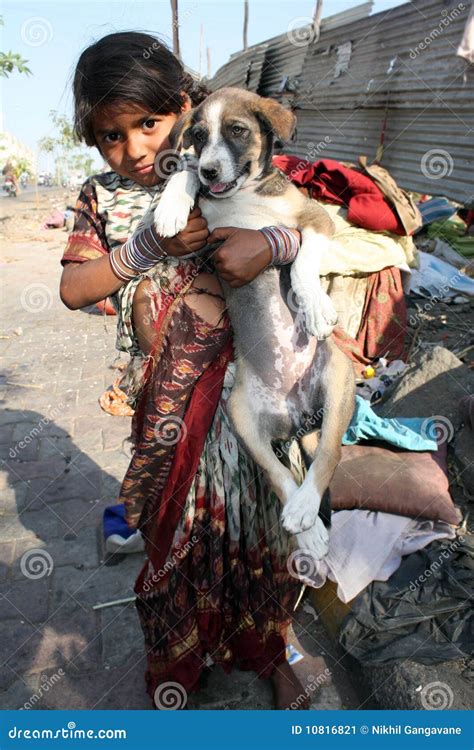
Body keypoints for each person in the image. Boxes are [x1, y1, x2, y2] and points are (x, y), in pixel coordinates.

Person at [59, 31, 311, 710]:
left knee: (261, 538)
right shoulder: (102, 197)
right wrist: (141, 247)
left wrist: (272, 242)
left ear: (185, 104)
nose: (135, 149)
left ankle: (272, 649)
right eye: (112, 136)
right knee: (172, 540)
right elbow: (74, 288)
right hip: (166, 417)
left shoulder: (230, 162)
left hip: (255, 399)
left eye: (150, 122)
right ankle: (178, 659)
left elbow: (318, 226)